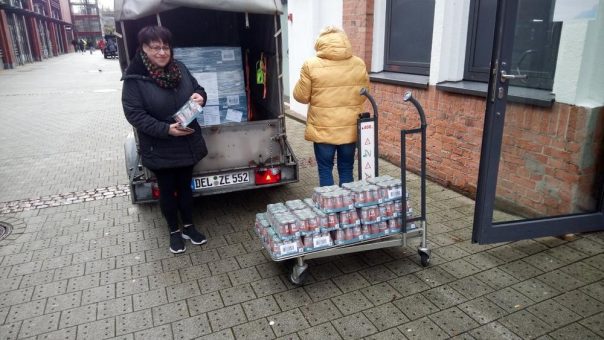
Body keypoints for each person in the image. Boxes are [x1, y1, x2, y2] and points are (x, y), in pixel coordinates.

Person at [121, 26, 209, 254]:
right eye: (155, 47)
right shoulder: (135, 79)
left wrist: (202, 96)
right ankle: (174, 231)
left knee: (186, 188)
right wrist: (165, 129)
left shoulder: (180, 68)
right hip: (159, 145)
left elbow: (197, 88)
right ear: (143, 49)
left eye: (165, 47)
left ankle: (189, 227)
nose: (162, 52)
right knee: (168, 191)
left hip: (187, 142)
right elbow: (134, 114)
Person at [293, 26, 369, 187]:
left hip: (323, 130)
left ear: (320, 43)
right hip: (349, 129)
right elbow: (363, 95)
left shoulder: (310, 64)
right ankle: (347, 208)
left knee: (325, 169)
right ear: (344, 42)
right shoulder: (358, 63)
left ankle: (330, 210)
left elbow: (301, 96)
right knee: (347, 169)